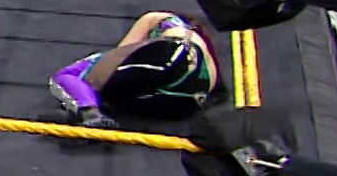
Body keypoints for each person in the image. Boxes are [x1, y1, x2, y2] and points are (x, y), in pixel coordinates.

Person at [49, 10, 221, 129]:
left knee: (67, 75)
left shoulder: (164, 20)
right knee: (114, 97)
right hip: (185, 105)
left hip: (174, 55)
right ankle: (88, 108)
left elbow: (120, 53)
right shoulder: (207, 54)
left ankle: (88, 111)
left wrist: (98, 72)